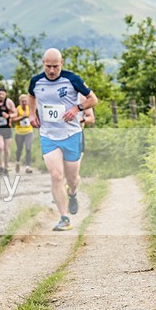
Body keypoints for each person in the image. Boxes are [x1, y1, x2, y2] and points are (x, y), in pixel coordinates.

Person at [29, 48, 98, 231]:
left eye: (55, 66)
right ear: (43, 63)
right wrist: (31, 114)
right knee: (56, 175)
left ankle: (73, 194)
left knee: (72, 178)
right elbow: (31, 96)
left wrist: (77, 109)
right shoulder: (36, 81)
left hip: (71, 135)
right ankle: (64, 217)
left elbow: (93, 100)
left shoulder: (72, 79)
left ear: (62, 63)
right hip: (48, 135)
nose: (51, 71)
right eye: (48, 66)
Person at [12, 93, 34, 173]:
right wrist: (21, 117)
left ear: (27, 101)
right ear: (20, 102)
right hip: (19, 132)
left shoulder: (30, 109)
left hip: (29, 131)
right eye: (22, 101)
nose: (24, 103)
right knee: (19, 149)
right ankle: (17, 162)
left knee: (28, 149)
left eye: (25, 101)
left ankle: (28, 166)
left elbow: (34, 117)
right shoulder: (17, 109)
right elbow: (13, 119)